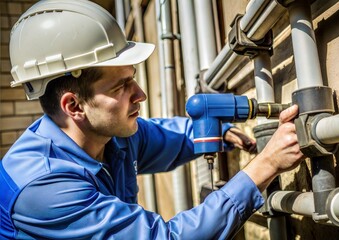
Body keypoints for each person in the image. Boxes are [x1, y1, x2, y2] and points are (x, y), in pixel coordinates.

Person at [0, 0, 304, 239]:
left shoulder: (111, 135)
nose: (141, 94)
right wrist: (266, 164)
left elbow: (162, 136)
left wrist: (216, 132)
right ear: (74, 105)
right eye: (121, 86)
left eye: (132, 79)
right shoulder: (44, 188)